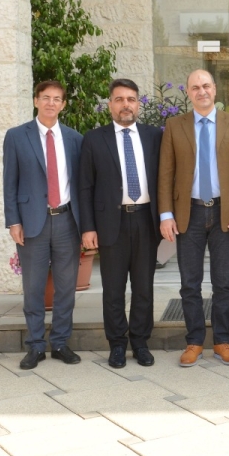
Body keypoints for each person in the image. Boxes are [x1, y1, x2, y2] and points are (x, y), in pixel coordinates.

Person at [159, 69, 229, 368]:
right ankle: (195, 342)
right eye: (195, 87)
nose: (201, 91)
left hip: (226, 213)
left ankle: (223, 341)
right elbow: (166, 173)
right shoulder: (174, 126)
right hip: (188, 212)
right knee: (190, 283)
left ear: (215, 89)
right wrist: (166, 215)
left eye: (206, 86)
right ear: (188, 92)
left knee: (223, 283)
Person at [78, 79, 162, 369]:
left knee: (143, 287)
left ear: (138, 104)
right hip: (110, 222)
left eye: (131, 99)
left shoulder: (154, 136)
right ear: (110, 105)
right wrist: (88, 228)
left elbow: (165, 179)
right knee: (113, 289)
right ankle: (116, 344)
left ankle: (140, 342)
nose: (126, 104)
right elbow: (85, 187)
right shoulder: (94, 139)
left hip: (146, 219)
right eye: (119, 99)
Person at [3, 81, 84, 370]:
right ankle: (36, 345)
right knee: (33, 287)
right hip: (31, 222)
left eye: (57, 99)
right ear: (36, 100)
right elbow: (9, 181)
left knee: (66, 287)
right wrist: (13, 221)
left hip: (67, 221)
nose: (51, 103)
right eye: (46, 97)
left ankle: (60, 342)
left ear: (63, 104)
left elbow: (82, 184)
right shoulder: (16, 136)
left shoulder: (75, 139)